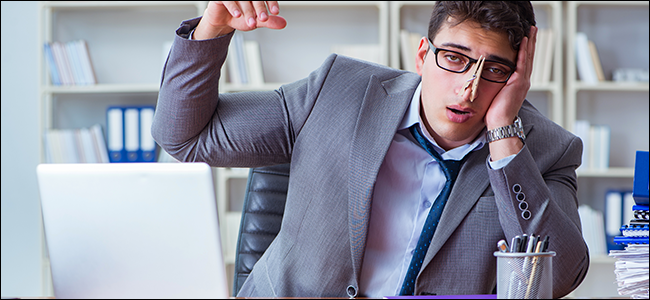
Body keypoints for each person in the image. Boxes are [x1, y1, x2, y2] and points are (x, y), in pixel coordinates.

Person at [152, 1, 589, 298]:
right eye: (454, 58)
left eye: (494, 69)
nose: (469, 88)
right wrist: (212, 29)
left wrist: (504, 139)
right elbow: (187, 137)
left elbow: (559, 278)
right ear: (422, 54)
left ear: (518, 76)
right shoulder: (337, 90)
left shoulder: (548, 150)